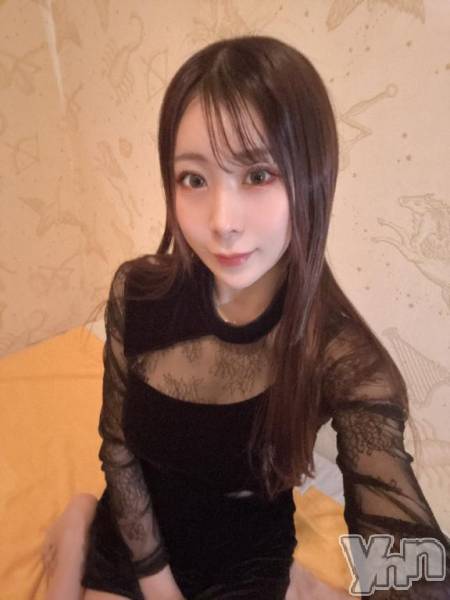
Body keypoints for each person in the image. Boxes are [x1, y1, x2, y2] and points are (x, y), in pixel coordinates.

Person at [41, 35, 450, 600]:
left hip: (244, 556)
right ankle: (79, 528)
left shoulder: (345, 359)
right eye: (194, 179)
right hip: (138, 533)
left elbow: (400, 543)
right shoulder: (138, 293)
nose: (222, 221)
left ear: (312, 176)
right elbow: (118, 447)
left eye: (258, 175)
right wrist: (158, 583)